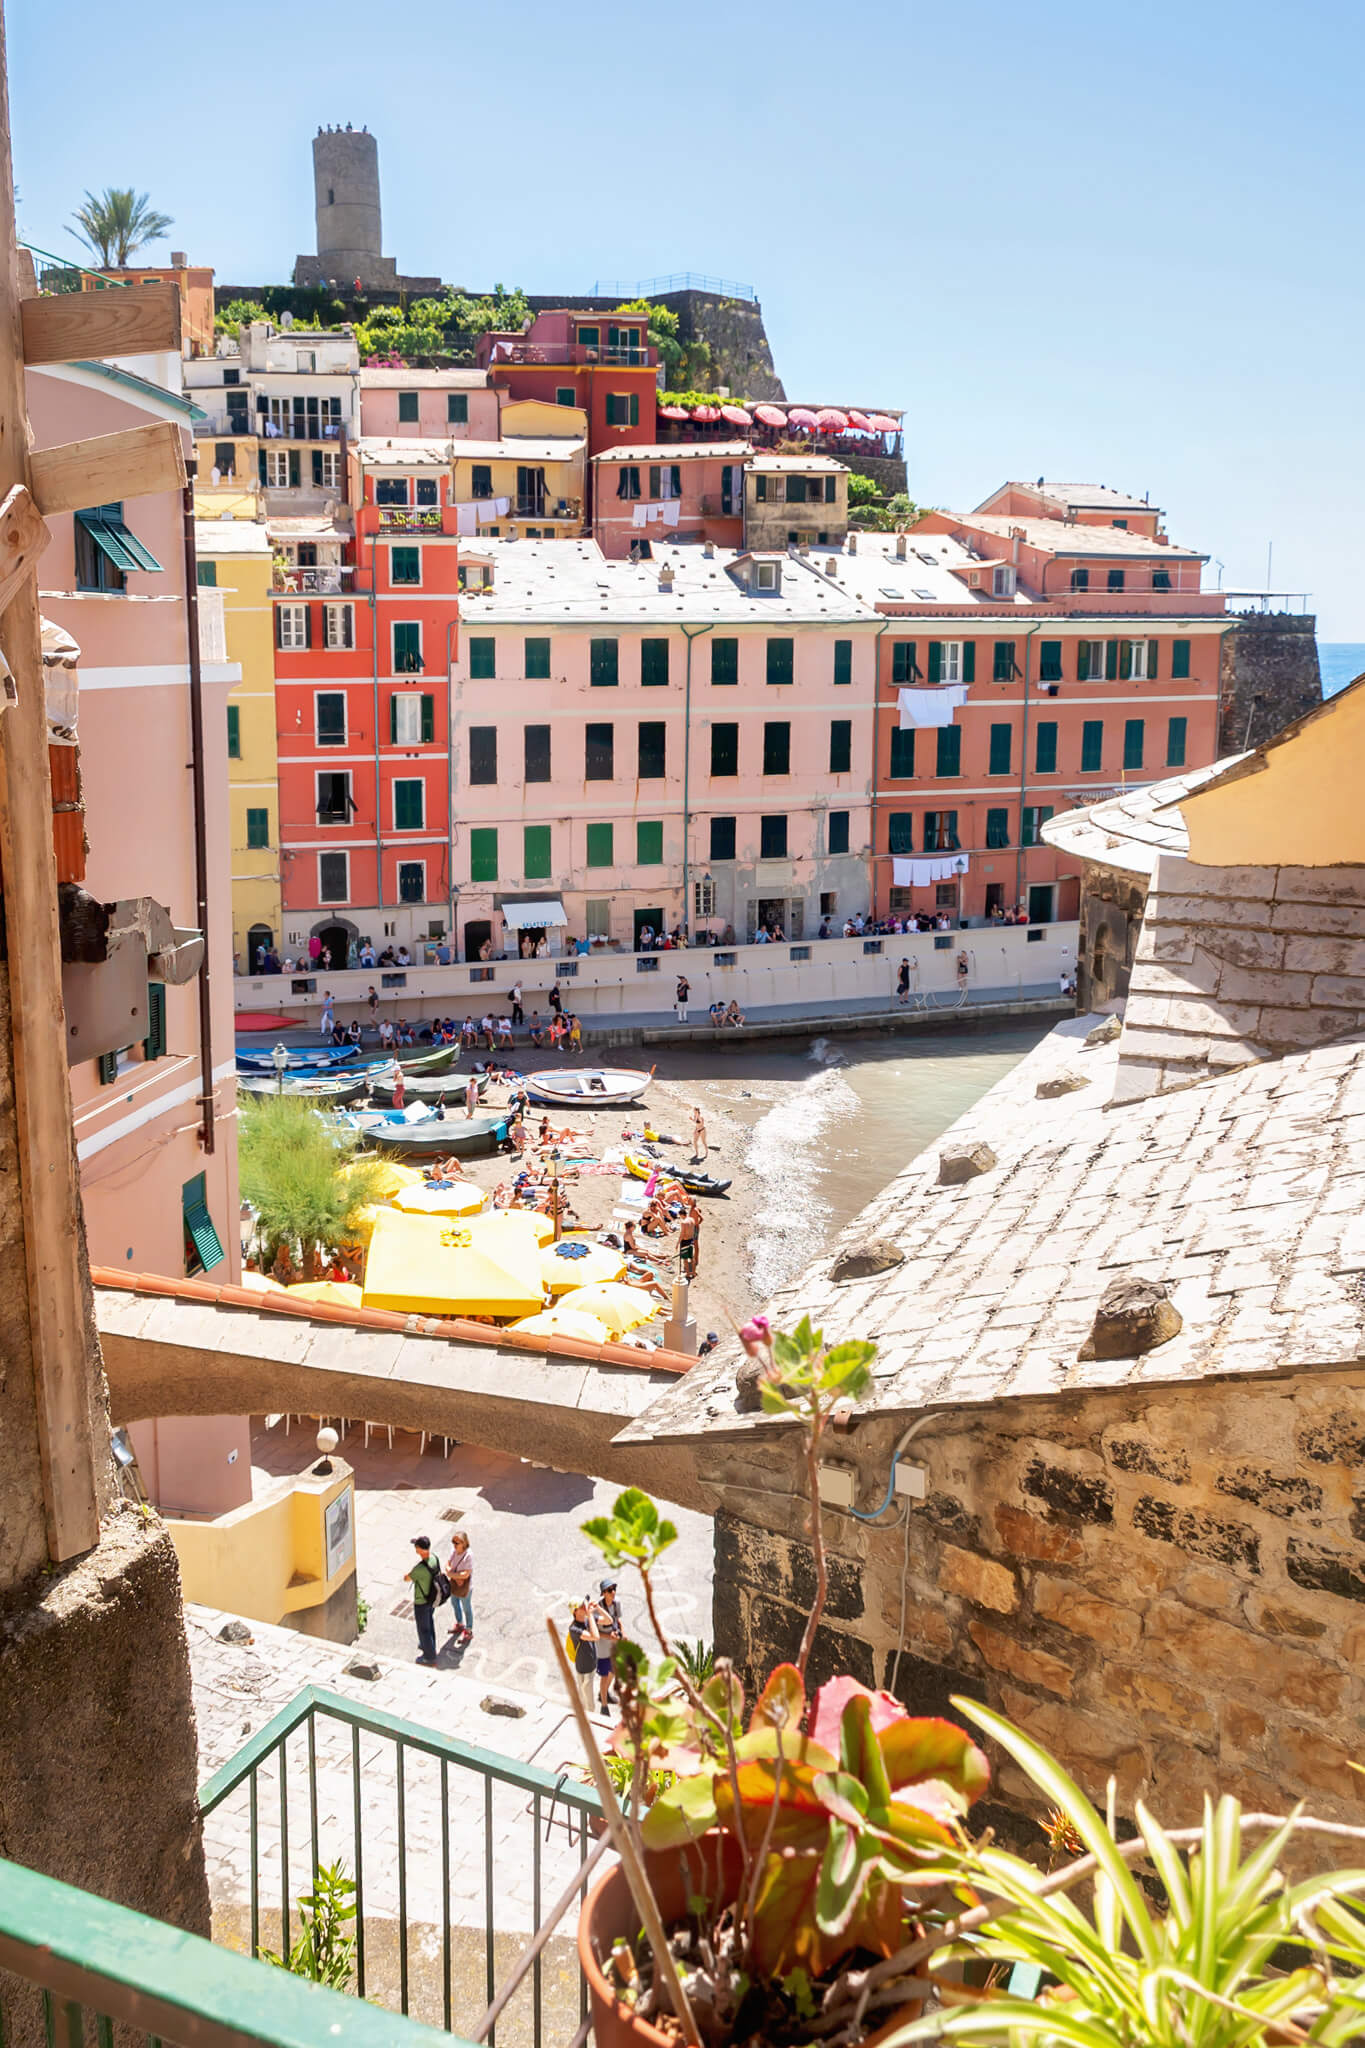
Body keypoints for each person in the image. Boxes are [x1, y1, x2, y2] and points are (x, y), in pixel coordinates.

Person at [405, 1537, 442, 1665]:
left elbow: (407, 1578)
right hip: (432, 1598)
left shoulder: (419, 1569)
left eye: (416, 1546)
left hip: (421, 1601)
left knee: (423, 1629)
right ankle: (429, 1646)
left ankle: (429, 1657)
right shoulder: (434, 1558)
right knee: (429, 1623)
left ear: (419, 1549)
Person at [568, 1600, 607, 1712]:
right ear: (575, 1611)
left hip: (591, 1666)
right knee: (585, 1700)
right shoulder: (574, 1629)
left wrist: (598, 1608)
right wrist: (590, 1615)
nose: (585, 1607)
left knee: (588, 1701)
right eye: (582, 1606)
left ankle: (588, 1717)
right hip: (583, 1669)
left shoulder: (588, 1619)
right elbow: (595, 1636)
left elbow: (608, 1620)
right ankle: (588, 1719)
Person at [592, 1579, 623, 1711]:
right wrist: (608, 1636)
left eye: (614, 1588)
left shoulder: (617, 1603)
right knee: (605, 1676)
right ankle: (604, 1706)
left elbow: (618, 1621)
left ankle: (603, 1694)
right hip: (602, 1648)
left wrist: (622, 1634)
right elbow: (594, 1631)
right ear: (603, 1593)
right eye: (610, 1590)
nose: (613, 1592)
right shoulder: (597, 1610)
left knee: (614, 1670)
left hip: (614, 1644)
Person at [446, 1529, 474, 1644]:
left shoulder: (468, 1555)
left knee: (466, 1608)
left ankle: (469, 1630)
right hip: (455, 1584)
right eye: (453, 1542)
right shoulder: (454, 1552)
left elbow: (466, 1573)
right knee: (454, 1603)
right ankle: (459, 1624)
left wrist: (451, 1574)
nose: (454, 1545)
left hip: (465, 1587)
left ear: (464, 1543)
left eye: (457, 1543)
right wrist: (455, 1577)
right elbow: (448, 1564)